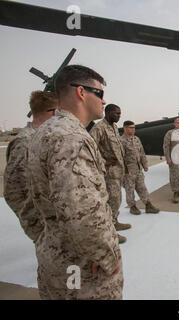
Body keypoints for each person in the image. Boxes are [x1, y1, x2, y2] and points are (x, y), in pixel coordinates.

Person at [27, 65, 123, 299]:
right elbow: (82, 211)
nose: (103, 101)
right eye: (99, 93)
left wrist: (43, 238)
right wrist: (106, 257)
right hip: (82, 267)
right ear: (81, 92)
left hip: (55, 256)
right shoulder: (72, 138)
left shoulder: (45, 131)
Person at [4, 90, 57, 242]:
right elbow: (13, 191)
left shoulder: (43, 137)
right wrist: (36, 225)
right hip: (43, 224)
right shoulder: (25, 142)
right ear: (54, 113)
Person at [90, 104, 130, 243]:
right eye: (116, 113)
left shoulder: (113, 127)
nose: (119, 116)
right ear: (108, 113)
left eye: (120, 113)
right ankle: (110, 232)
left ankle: (114, 222)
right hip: (109, 173)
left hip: (118, 171)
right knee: (112, 200)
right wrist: (103, 162)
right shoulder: (99, 128)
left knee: (116, 199)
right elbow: (89, 148)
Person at [120, 120, 160, 215]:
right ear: (125, 128)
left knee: (142, 188)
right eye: (131, 127)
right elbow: (120, 158)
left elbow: (142, 153)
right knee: (130, 189)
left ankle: (148, 205)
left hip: (138, 169)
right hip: (128, 170)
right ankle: (132, 207)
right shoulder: (121, 141)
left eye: (134, 127)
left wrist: (145, 165)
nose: (133, 129)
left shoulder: (136, 139)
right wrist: (125, 171)